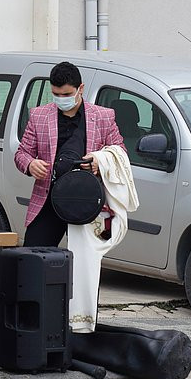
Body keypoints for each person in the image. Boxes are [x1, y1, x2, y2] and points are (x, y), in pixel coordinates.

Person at [14, 61, 125, 247]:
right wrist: (30, 164)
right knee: (33, 256)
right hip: (48, 199)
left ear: (80, 88)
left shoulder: (103, 116)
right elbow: (21, 154)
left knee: (83, 261)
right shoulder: (39, 115)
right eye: (56, 94)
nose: (61, 99)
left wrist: (99, 162)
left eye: (66, 94)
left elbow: (120, 153)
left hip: (86, 198)